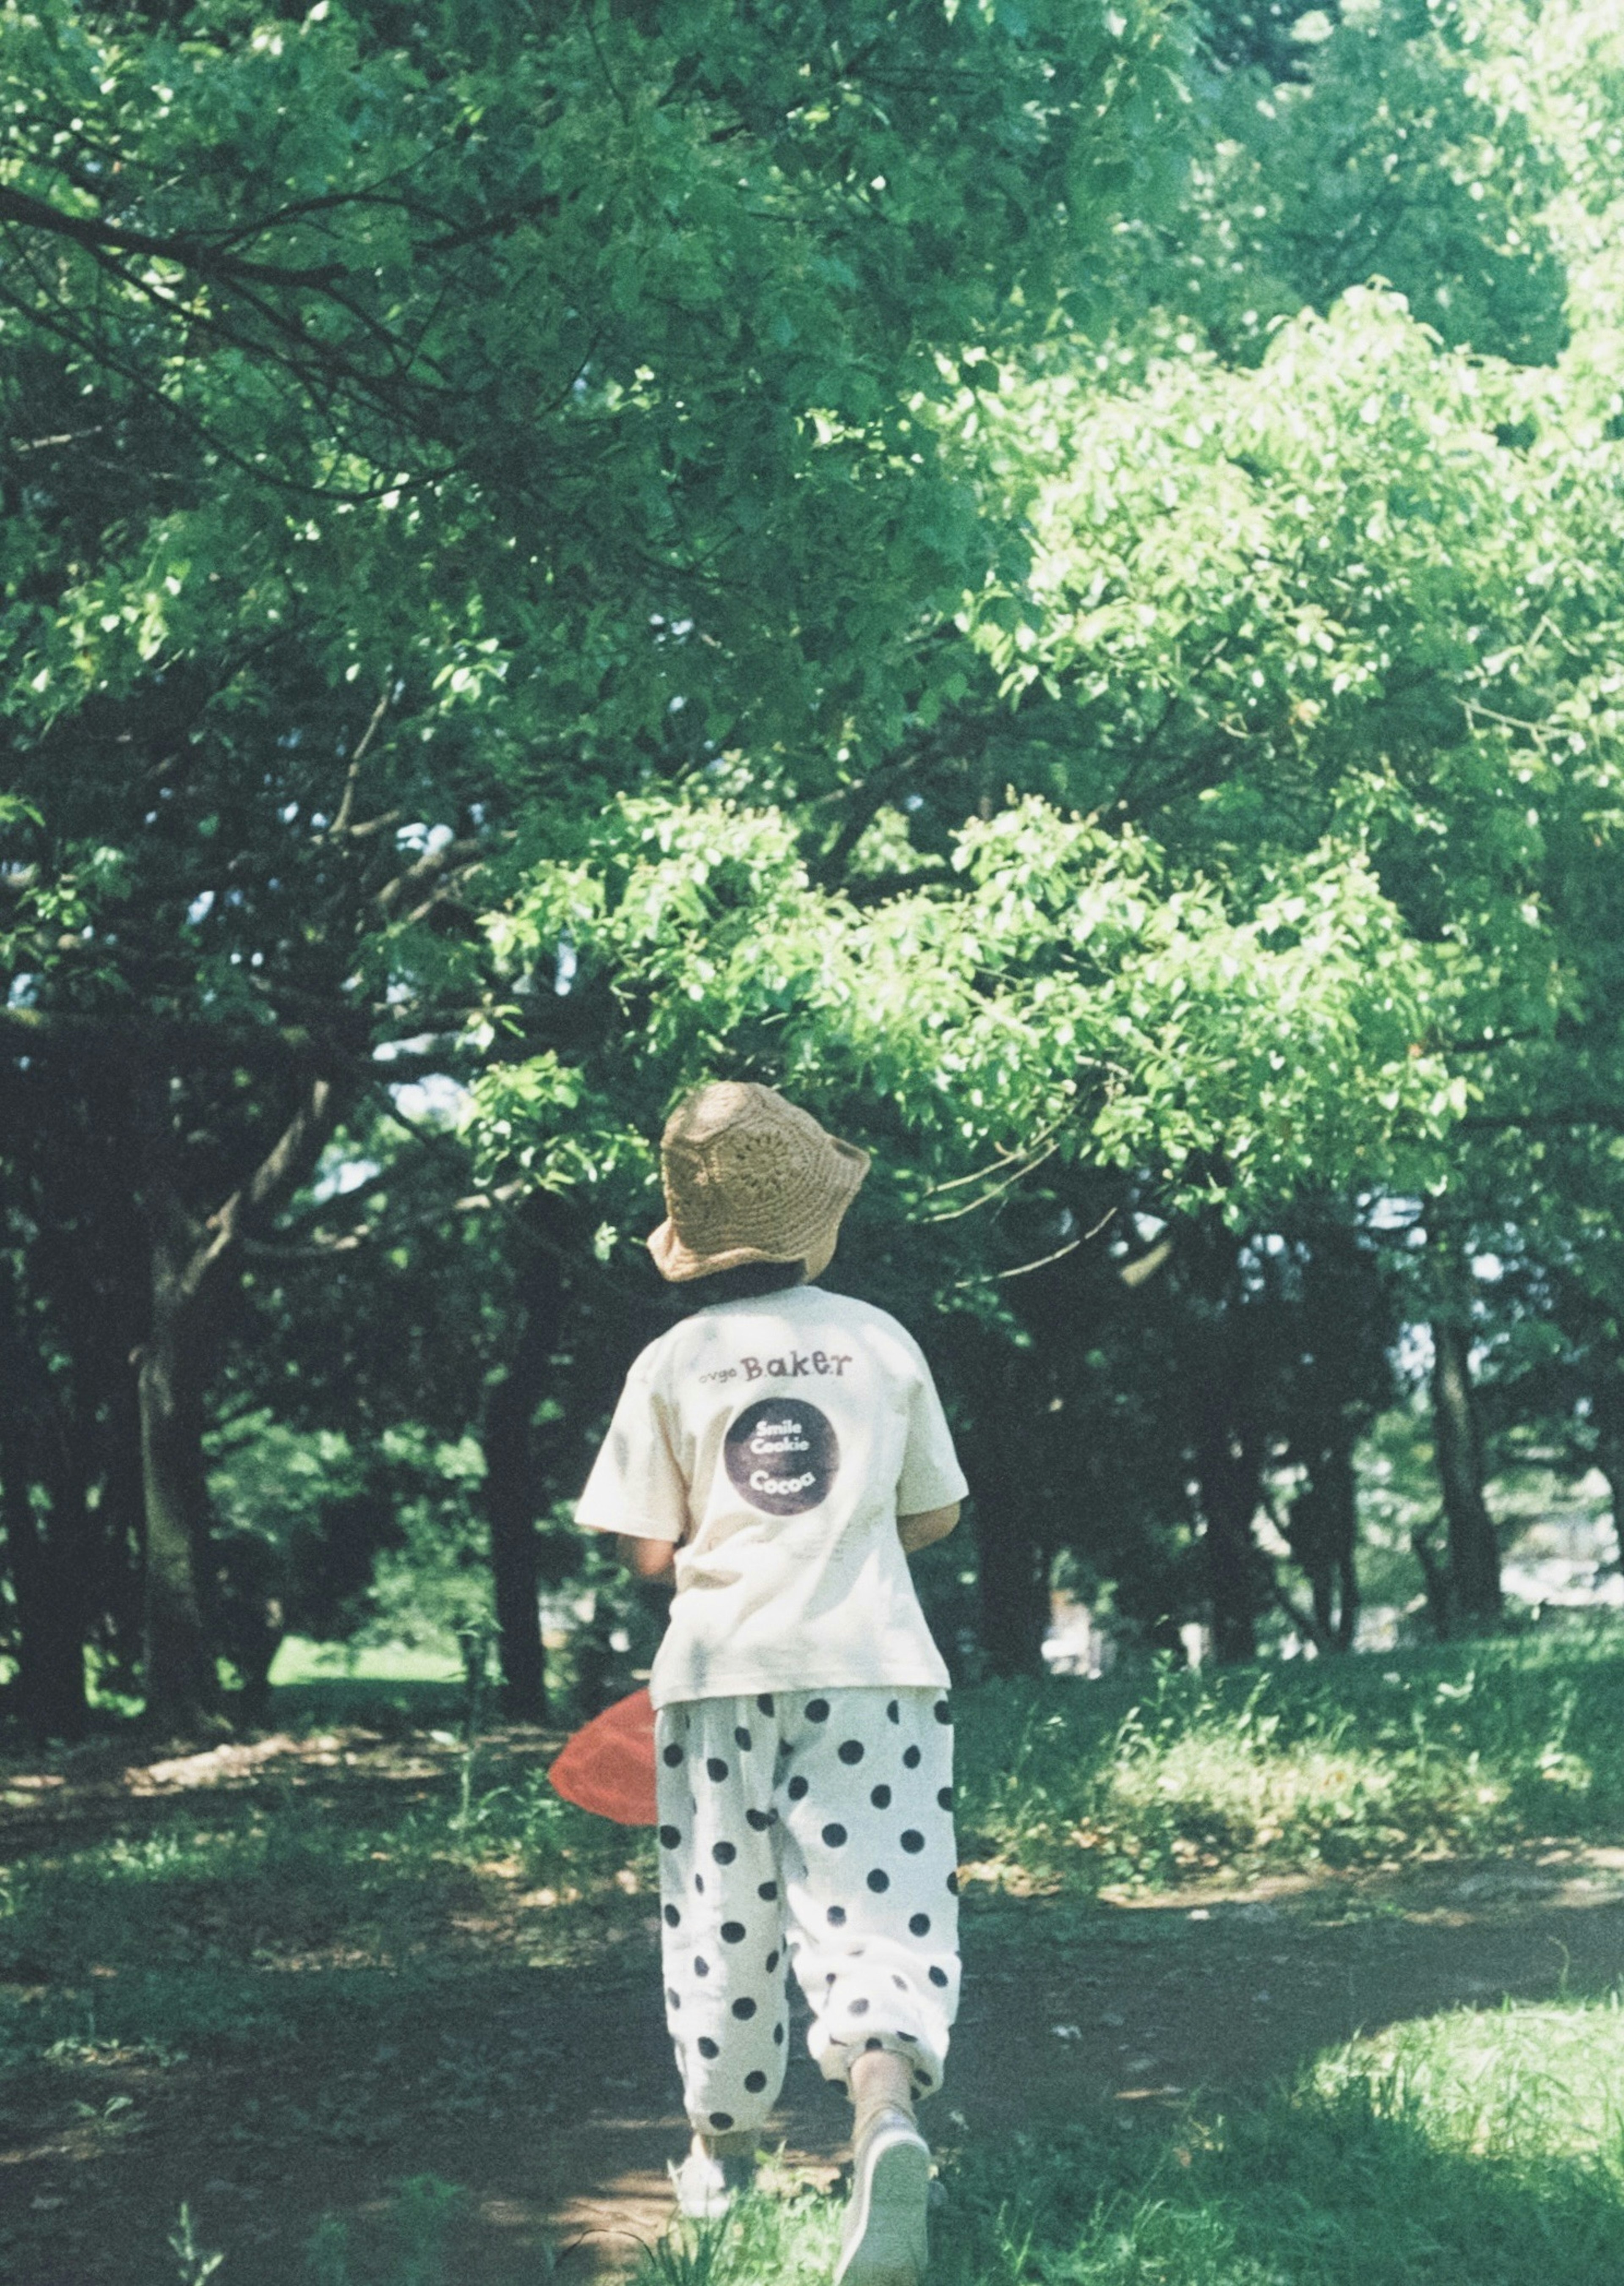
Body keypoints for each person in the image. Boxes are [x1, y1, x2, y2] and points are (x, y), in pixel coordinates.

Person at [575, 1081, 967, 2286]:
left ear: (694, 1245)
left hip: (716, 1679)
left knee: (722, 1914)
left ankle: (724, 2150)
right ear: (812, 1224)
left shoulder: (671, 1358)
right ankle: (884, 2115)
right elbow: (935, 1512)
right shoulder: (881, 1340)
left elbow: (646, 1547)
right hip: (873, 1673)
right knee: (879, 1905)